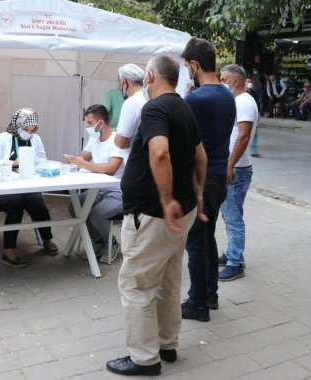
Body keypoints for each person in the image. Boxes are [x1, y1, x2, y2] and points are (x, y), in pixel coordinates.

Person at [105, 54, 207, 377]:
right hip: (181, 212)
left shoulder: (154, 108)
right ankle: (167, 343)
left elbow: (159, 151)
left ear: (148, 77)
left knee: (136, 284)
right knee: (168, 279)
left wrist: (165, 199)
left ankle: (144, 358)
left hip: (153, 214)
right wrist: (199, 193)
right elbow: (200, 156)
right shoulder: (184, 107)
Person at [180, 37, 236, 322]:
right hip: (217, 176)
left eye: (187, 66)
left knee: (196, 243)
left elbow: (184, 141)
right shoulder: (227, 94)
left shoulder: (195, 99)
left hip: (200, 179)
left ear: (195, 65)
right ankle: (210, 294)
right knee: (208, 236)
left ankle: (197, 303)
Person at [0, 108, 59, 268]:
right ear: (17, 125)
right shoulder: (2, 138)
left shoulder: (36, 139)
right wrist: (13, 163)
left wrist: (35, 162)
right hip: (5, 187)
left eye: (33, 129)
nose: (30, 131)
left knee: (38, 205)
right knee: (15, 205)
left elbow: (42, 159)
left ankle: (47, 239)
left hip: (28, 184)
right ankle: (9, 249)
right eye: (27, 128)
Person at [63, 105, 125, 259]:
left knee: (96, 215)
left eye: (90, 123)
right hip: (98, 190)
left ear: (101, 123)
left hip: (118, 192)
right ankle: (100, 241)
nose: (87, 127)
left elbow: (111, 169)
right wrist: (73, 160)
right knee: (76, 208)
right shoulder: (94, 138)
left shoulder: (116, 141)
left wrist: (83, 164)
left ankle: (111, 243)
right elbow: (83, 157)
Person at [217, 64, 258, 281]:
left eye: (223, 79)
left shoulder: (244, 102)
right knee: (229, 214)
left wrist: (230, 165)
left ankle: (236, 261)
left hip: (238, 168)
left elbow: (243, 136)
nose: (221, 83)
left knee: (233, 217)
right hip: (235, 166)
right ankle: (231, 253)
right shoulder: (237, 101)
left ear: (235, 81)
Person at [114, 63, 146, 150]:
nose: (120, 87)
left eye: (120, 84)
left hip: (135, 159)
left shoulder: (131, 102)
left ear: (124, 82)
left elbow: (121, 142)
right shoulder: (151, 97)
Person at [249, 68, 265, 158]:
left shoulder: (260, 76)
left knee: (254, 129)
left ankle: (253, 150)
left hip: (253, 111)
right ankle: (253, 150)